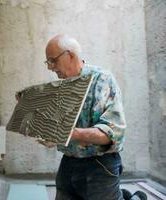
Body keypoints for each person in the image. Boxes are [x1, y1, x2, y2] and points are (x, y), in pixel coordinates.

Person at [35, 34, 146, 200]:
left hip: (100, 165)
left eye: (53, 60)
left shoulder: (102, 80)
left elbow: (112, 134)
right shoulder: (61, 87)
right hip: (69, 163)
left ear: (70, 55)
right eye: (47, 62)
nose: (50, 67)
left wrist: (70, 133)